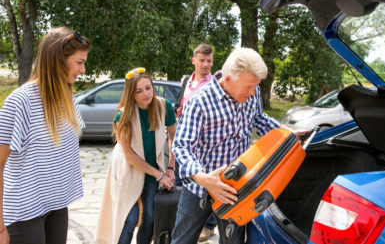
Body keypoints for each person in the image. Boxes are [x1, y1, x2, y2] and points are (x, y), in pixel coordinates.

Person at [171, 47, 303, 244]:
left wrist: (285, 133)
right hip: (200, 189)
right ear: (228, 80)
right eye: (248, 87)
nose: (252, 93)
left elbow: (258, 118)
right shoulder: (200, 102)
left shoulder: (253, 90)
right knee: (182, 240)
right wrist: (203, 178)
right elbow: (181, 145)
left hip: (237, 190)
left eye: (255, 87)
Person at [0, 27, 91, 244]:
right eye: (79, 62)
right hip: (24, 213)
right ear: (58, 60)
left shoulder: (68, 99)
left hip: (57, 206)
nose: (83, 70)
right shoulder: (19, 102)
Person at [96, 68, 177, 244]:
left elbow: (174, 139)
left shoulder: (164, 106)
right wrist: (160, 176)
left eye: (148, 88)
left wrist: (170, 167)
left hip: (153, 170)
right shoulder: (123, 115)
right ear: (131, 93)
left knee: (149, 217)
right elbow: (129, 156)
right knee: (129, 219)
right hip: (128, 170)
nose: (146, 94)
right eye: (139, 91)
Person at [173, 43, 218, 241]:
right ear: (194, 61)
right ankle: (185, 216)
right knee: (183, 180)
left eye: (209, 61)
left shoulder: (214, 84)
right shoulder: (186, 80)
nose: (206, 64)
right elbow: (181, 103)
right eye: (202, 60)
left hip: (204, 140)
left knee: (205, 182)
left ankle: (208, 225)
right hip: (184, 135)